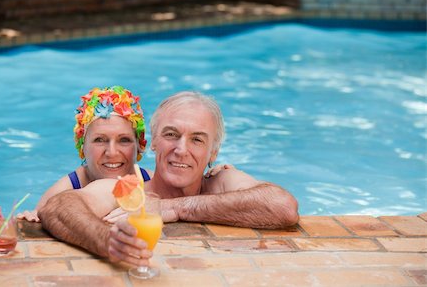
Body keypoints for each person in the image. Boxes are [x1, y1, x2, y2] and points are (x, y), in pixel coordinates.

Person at [38, 91, 299, 267]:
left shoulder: (220, 181)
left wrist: (172, 207)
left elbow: (284, 207)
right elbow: (59, 207)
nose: (181, 149)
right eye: (171, 134)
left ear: (214, 152)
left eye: (197, 139)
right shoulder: (128, 191)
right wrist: (107, 240)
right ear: (153, 142)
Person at [17, 85, 150, 222]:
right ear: (82, 147)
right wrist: (32, 217)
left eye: (124, 140)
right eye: (99, 140)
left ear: (140, 145)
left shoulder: (151, 183)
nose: (111, 152)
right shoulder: (61, 192)